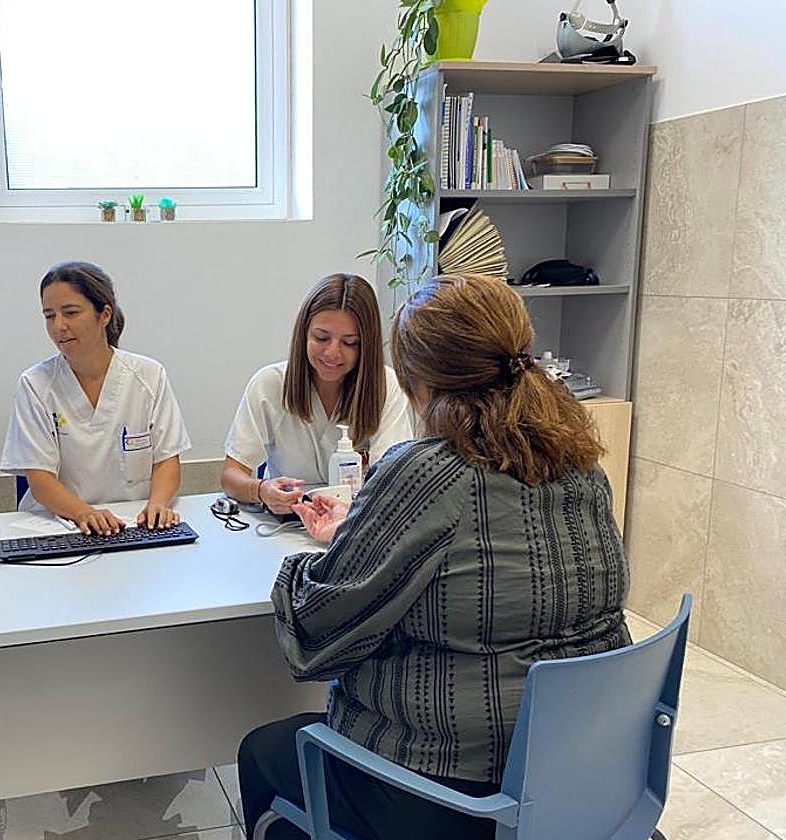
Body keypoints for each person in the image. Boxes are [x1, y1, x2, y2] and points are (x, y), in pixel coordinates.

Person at [237, 274, 630, 839]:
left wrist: (319, 557)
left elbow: (317, 635)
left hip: (454, 791)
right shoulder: (582, 463)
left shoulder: (426, 471)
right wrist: (366, 533)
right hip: (581, 770)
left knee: (263, 751)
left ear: (418, 382)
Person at [0, 261, 190, 534]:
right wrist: (85, 514)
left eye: (71, 313)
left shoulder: (149, 376)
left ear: (104, 315)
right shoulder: (35, 384)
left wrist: (158, 504)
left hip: (135, 522)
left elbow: (167, 460)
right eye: (49, 316)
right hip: (62, 525)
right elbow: (39, 478)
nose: (59, 326)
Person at [220, 273, 412, 514]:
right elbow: (231, 475)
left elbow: (393, 478)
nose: (332, 353)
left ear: (367, 346)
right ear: (304, 333)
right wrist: (261, 490)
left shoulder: (386, 385)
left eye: (349, 343)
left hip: (357, 524)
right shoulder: (269, 384)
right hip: (287, 526)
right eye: (321, 338)